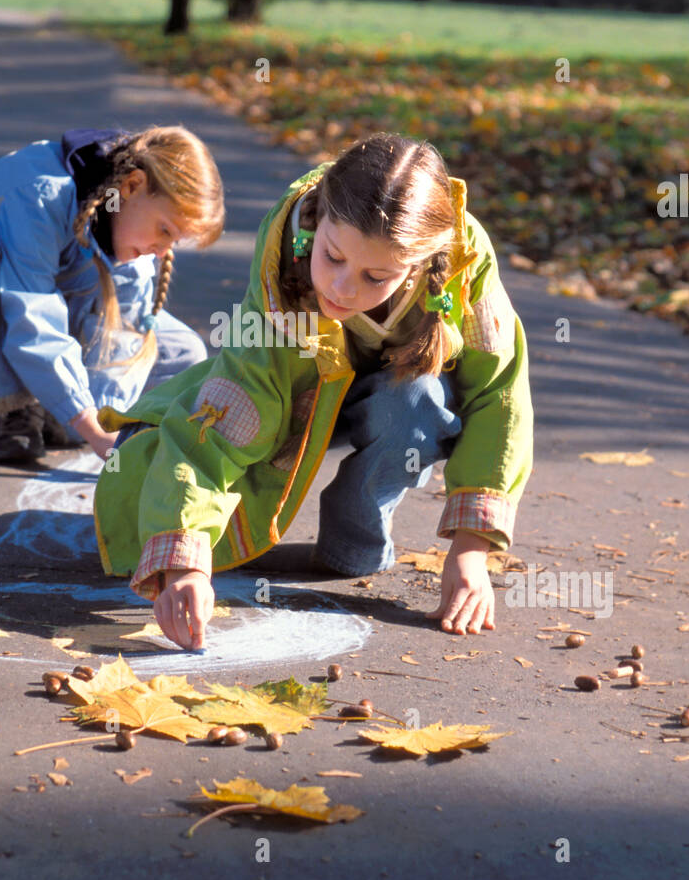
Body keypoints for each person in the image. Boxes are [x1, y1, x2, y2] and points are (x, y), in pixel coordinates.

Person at [91, 133, 533, 647]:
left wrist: (470, 551)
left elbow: (499, 396)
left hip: (393, 391)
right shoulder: (283, 260)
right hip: (297, 387)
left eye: (375, 275)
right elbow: (236, 399)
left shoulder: (462, 260)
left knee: (417, 404)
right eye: (333, 257)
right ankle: (180, 496)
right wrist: (184, 562)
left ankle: (352, 544)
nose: (344, 288)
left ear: (417, 265)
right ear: (317, 221)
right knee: (156, 475)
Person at [0, 125, 224, 460]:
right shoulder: (41, 195)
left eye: (174, 240)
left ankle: (52, 408)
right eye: (164, 230)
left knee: (183, 351)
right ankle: (14, 402)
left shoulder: (131, 228)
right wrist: (89, 425)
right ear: (132, 185)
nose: (163, 251)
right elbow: (34, 316)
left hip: (61, 309)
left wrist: (104, 424)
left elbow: (121, 339)